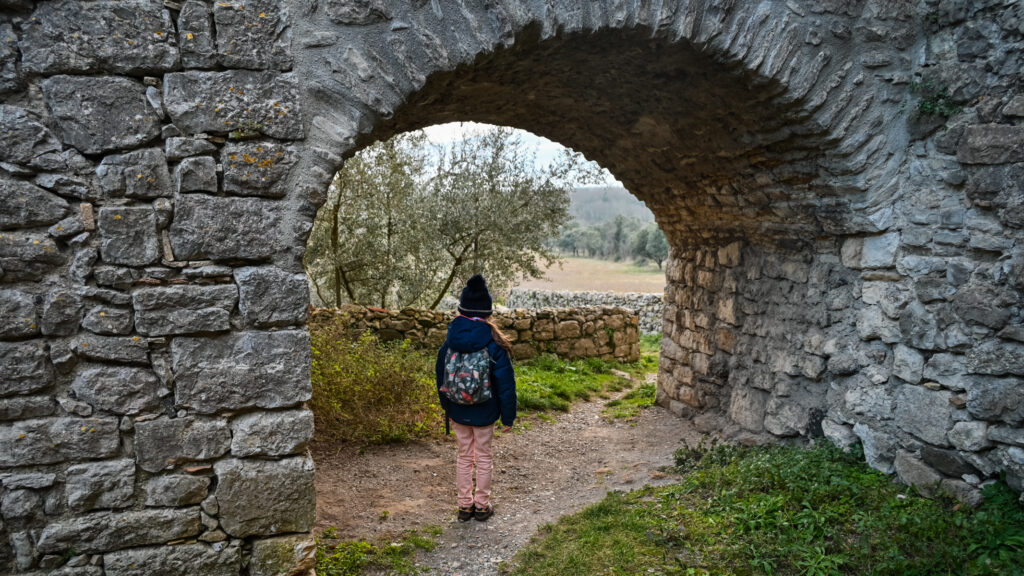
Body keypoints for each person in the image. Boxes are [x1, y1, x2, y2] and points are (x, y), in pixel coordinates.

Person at [436, 274, 517, 522]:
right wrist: (508, 416)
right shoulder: (494, 344)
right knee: (483, 457)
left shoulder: (449, 342)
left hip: (458, 409)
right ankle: (482, 506)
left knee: (463, 456)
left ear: (461, 309)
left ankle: (464, 506)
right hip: (485, 411)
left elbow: (441, 379)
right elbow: (506, 385)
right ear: (487, 313)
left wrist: (448, 408)